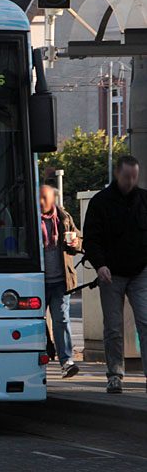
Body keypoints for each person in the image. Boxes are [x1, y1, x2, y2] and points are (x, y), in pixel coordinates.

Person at [83, 155, 147, 394]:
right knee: (113, 327)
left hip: (140, 271)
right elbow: (91, 238)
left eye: (134, 176)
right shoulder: (101, 202)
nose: (131, 181)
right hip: (111, 273)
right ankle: (115, 375)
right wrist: (100, 265)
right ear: (117, 174)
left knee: (146, 321)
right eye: (127, 176)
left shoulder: (144, 199)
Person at [39, 184, 81, 379]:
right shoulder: (30, 218)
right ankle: (45, 354)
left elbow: (79, 240)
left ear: (52, 199)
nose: (41, 202)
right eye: (39, 198)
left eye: (44, 198)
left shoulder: (64, 218)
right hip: (36, 282)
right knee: (37, 322)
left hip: (61, 280)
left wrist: (75, 243)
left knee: (61, 319)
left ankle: (67, 361)